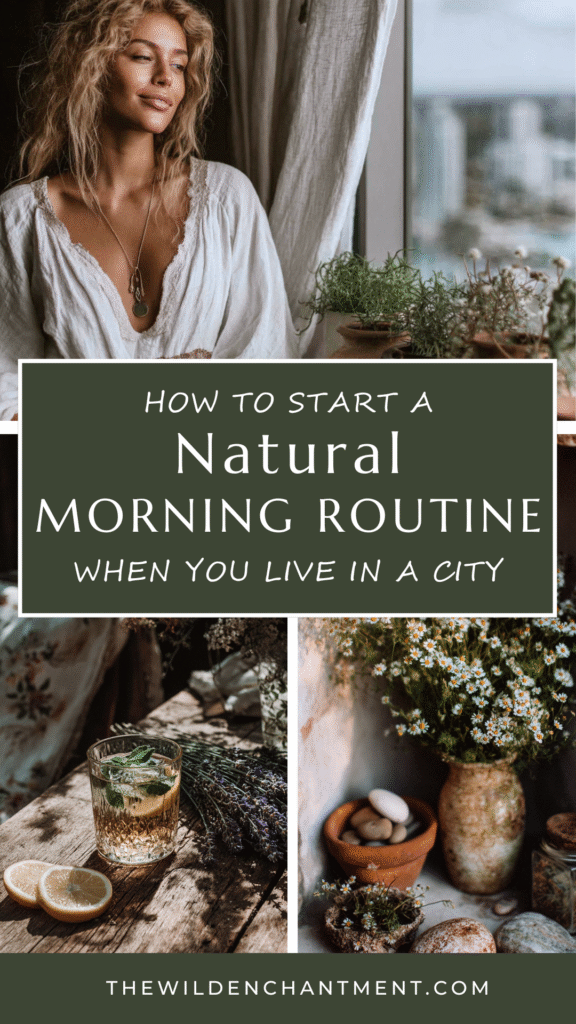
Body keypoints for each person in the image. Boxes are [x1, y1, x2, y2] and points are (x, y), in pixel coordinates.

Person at [0, 0, 298, 420]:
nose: (165, 78)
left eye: (179, 65)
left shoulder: (226, 200)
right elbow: (7, 394)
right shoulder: (21, 219)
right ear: (93, 65)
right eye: (142, 57)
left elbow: (266, 365)